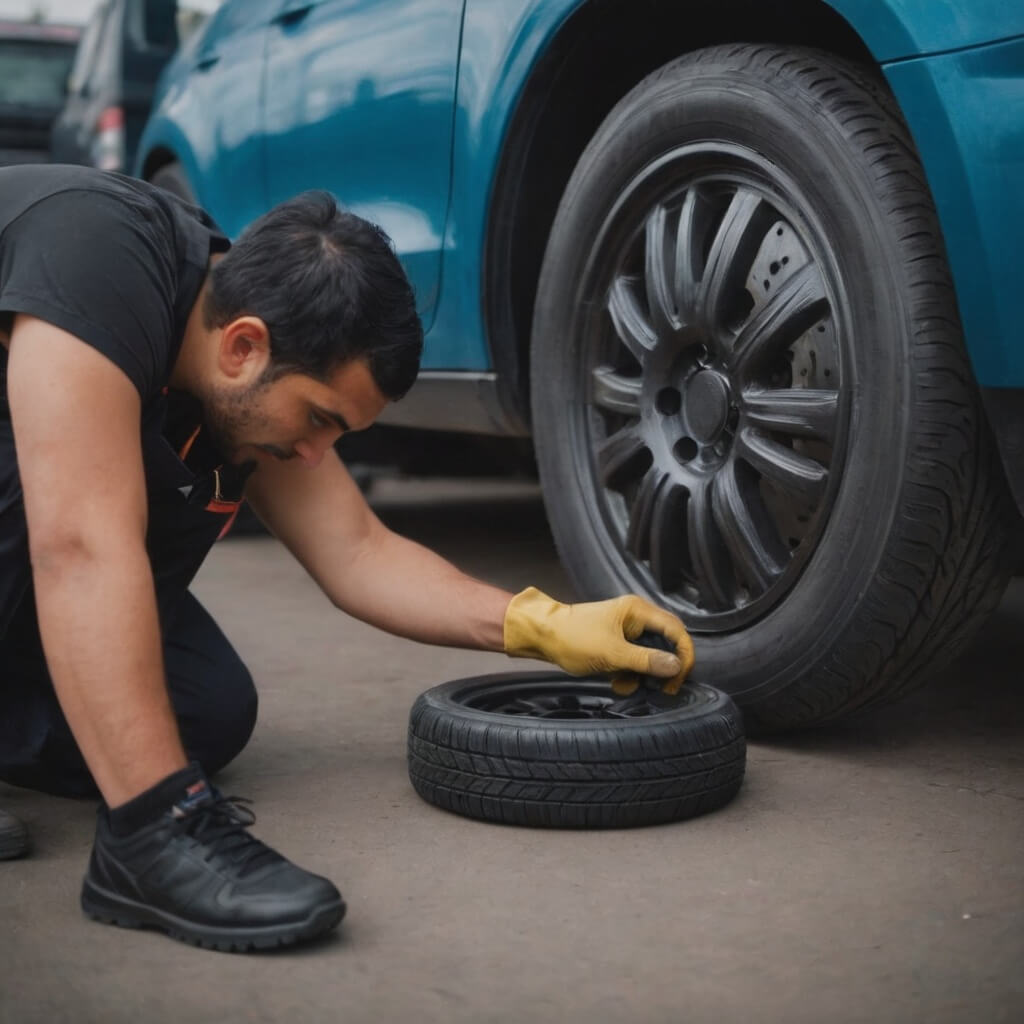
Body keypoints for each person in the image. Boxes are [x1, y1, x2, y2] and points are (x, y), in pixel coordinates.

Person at [0, 164, 694, 951]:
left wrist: (546, 623)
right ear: (243, 347)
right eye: (320, 418)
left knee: (204, 708)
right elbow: (80, 547)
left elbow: (359, 552)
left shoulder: (237, 338)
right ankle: (148, 842)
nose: (315, 454)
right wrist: (164, 813)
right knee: (67, 504)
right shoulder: (93, 254)